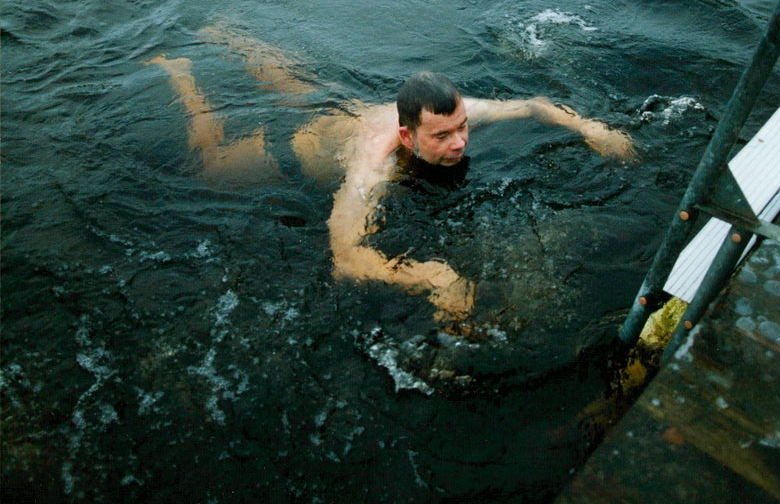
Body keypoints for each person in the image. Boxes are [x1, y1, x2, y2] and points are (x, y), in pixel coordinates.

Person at [148, 28, 636, 330]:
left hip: (346, 114)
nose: (461, 142)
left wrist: (594, 129)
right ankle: (181, 73)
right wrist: (430, 275)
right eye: (443, 136)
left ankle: (227, 34)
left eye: (462, 127)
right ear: (407, 135)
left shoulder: (453, 114)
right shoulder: (373, 164)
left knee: (294, 85)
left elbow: (530, 104)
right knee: (210, 165)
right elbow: (344, 255)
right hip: (293, 153)